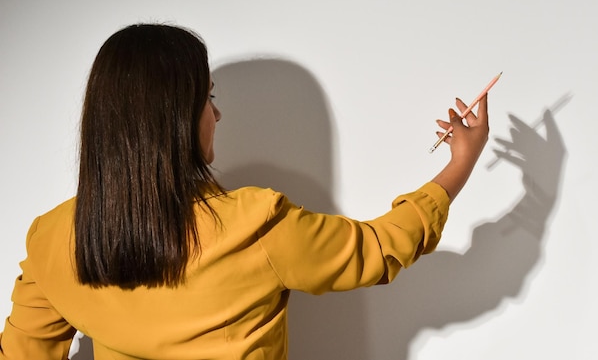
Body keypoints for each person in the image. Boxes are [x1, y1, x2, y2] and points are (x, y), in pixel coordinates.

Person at [0, 23, 489, 360]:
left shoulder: (52, 238)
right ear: (171, 120)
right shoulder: (254, 225)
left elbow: (22, 353)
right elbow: (379, 250)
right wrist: (461, 163)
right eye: (208, 99)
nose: (217, 115)